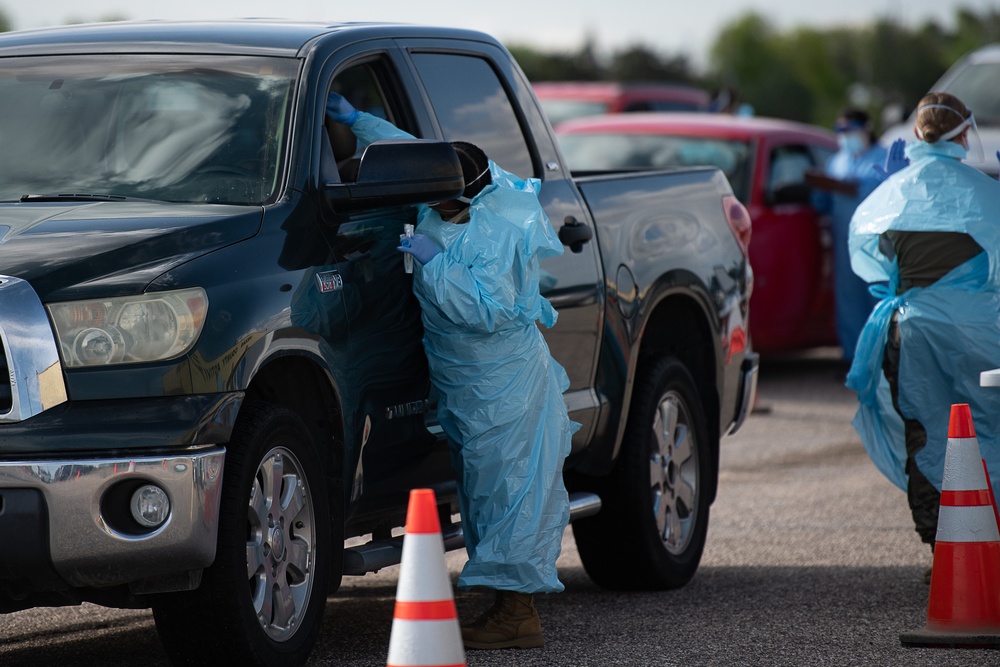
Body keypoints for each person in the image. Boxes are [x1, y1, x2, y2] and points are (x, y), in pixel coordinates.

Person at [325, 92, 578, 649]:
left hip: (503, 384)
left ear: (468, 193)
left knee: (508, 489)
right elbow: (412, 154)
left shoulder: (498, 231)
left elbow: (489, 310)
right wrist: (358, 120)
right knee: (483, 488)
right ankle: (504, 604)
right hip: (469, 384)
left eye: (442, 202)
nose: (433, 209)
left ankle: (518, 615)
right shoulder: (454, 191)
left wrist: (436, 267)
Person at [845, 92, 1000, 576]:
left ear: (915, 133)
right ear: (964, 134)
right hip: (981, 333)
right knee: (989, 431)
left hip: (912, 333)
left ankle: (946, 555)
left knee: (928, 436)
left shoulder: (892, 195)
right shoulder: (984, 192)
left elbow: (877, 261)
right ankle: (989, 544)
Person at [807, 109, 888, 364]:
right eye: (840, 131)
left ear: (866, 129)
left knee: (878, 299)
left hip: (878, 244)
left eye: (850, 130)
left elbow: (875, 192)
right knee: (848, 302)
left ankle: (884, 361)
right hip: (845, 245)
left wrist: (843, 186)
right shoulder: (837, 161)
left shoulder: (884, 157)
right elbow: (825, 202)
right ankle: (852, 361)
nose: (845, 136)